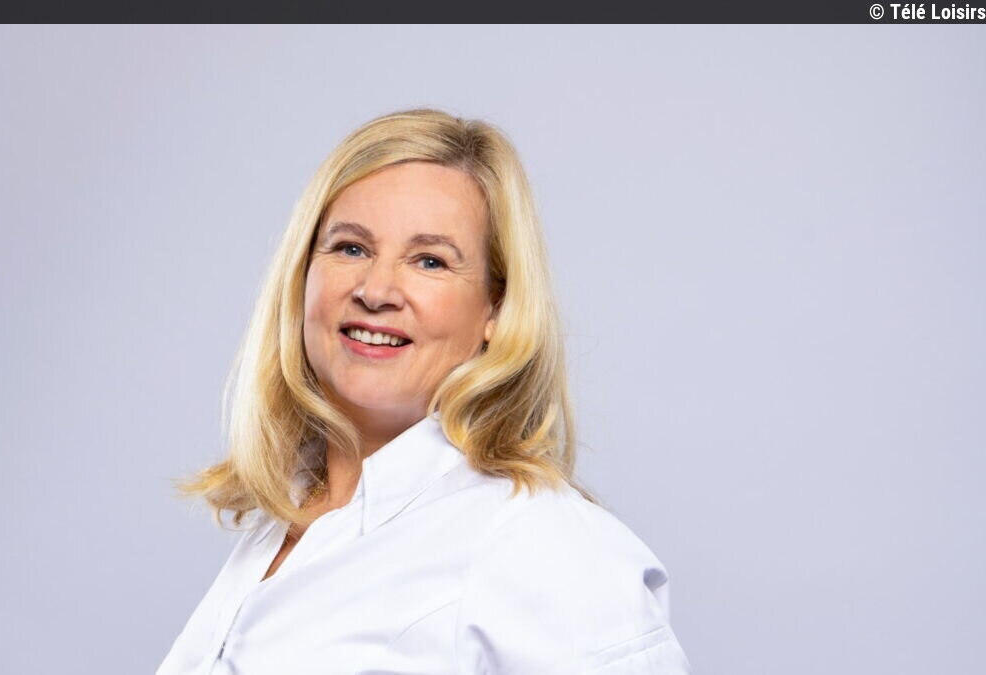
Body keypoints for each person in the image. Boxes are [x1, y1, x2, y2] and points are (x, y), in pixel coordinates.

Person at [156, 108, 691, 674]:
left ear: (496, 309)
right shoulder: (287, 518)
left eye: (430, 261)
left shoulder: (542, 544)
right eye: (351, 248)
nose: (375, 290)